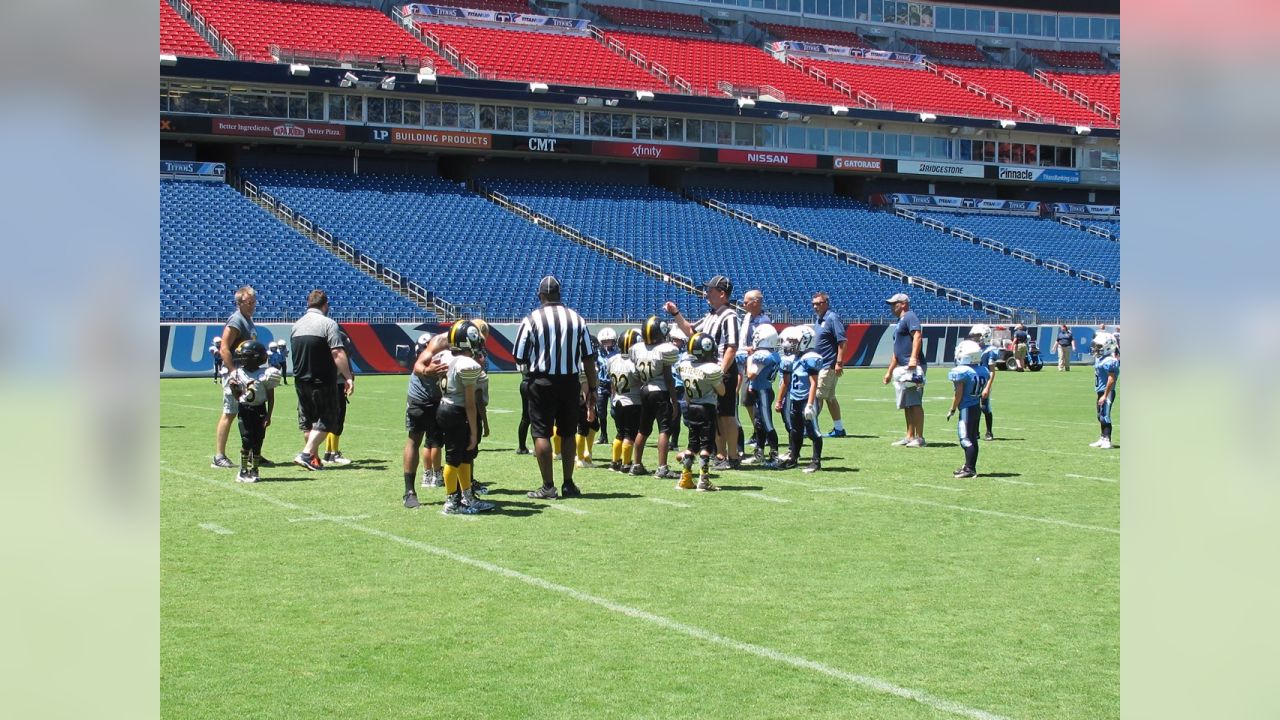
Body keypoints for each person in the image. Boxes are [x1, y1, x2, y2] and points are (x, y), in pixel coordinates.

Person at [515, 276, 597, 500]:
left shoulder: (531, 319)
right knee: (568, 433)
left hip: (541, 381)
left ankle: (548, 486)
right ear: (560, 294)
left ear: (541, 296)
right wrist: (593, 388)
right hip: (570, 381)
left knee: (541, 432)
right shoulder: (577, 319)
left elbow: (519, 355)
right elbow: (589, 357)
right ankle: (568, 483)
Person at [664, 275, 741, 470]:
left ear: (722, 294)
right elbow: (691, 332)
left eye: (710, 290)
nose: (706, 293)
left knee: (726, 414)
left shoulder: (729, 316)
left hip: (722, 369)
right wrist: (676, 313)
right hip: (711, 370)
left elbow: (732, 347)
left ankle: (732, 456)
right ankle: (720, 455)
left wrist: (720, 372)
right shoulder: (711, 315)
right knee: (713, 415)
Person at [435, 321, 496, 514]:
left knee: (464, 457)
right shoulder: (467, 364)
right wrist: (474, 430)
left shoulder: (445, 356)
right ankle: (452, 502)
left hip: (446, 406)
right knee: (454, 458)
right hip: (457, 411)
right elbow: (470, 402)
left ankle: (466, 495)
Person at [289, 290, 354, 471]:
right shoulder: (328, 324)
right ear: (325, 305)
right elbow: (337, 352)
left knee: (309, 421)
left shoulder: (297, 325)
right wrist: (348, 377)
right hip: (321, 380)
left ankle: (313, 459)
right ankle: (307, 453)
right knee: (328, 419)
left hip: (300, 379)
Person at [630, 315, 680, 479]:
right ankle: (662, 468)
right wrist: (674, 400)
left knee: (643, 430)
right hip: (660, 391)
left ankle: (636, 464)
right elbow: (668, 378)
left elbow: (636, 373)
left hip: (645, 390)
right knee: (664, 430)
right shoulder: (665, 349)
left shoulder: (637, 349)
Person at [224, 340, 282, 483]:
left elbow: (271, 396)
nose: (242, 358)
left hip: (260, 409)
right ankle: (243, 470)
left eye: (246, 355)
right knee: (246, 440)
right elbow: (238, 397)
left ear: (256, 357)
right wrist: (234, 388)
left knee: (258, 442)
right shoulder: (237, 373)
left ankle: (254, 469)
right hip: (245, 410)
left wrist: (269, 415)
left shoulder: (266, 374)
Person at [401, 333, 448, 508]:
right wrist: (429, 371)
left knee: (448, 440)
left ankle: (460, 487)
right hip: (420, 397)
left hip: (443, 397)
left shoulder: (469, 346)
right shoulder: (440, 342)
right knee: (415, 438)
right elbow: (418, 366)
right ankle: (409, 491)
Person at [213, 286, 257, 469]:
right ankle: (219, 456)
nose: (253, 305)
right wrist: (233, 372)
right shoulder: (236, 320)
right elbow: (224, 347)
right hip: (236, 374)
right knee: (229, 412)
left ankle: (254, 453)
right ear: (239, 303)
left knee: (250, 414)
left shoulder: (247, 319)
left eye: (254, 302)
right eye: (249, 302)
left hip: (246, 373)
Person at [674, 333, 725, 491]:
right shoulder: (711, 368)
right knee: (705, 446)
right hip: (706, 409)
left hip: (691, 407)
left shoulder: (684, 366)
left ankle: (686, 478)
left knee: (691, 445)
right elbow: (722, 391)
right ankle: (703, 480)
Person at [777, 325, 824, 473]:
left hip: (806, 400)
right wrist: (780, 400)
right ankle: (794, 458)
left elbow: (814, 383)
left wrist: (810, 404)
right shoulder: (794, 358)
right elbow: (786, 381)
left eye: (793, 340)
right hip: (795, 399)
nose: (790, 343)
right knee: (795, 430)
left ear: (805, 340)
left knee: (813, 431)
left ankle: (816, 461)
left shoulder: (809, 358)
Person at [883, 293, 926, 447]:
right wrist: (889, 371)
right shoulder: (900, 321)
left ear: (903, 304)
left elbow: (917, 336)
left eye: (894, 303)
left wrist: (914, 358)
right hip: (903, 366)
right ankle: (909, 436)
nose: (891, 306)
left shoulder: (910, 317)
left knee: (914, 402)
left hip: (911, 365)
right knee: (907, 403)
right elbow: (897, 350)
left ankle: (920, 438)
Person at [946, 340, 990, 479]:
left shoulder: (962, 371)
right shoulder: (983, 370)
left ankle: (970, 469)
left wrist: (952, 409)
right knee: (972, 438)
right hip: (975, 406)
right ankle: (969, 466)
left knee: (965, 439)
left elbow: (958, 394)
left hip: (966, 408)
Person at [811, 291, 848, 437]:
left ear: (826, 303)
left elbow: (842, 341)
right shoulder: (819, 320)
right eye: (813, 304)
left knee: (817, 396)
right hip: (819, 364)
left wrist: (839, 362)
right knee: (830, 398)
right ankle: (839, 429)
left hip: (827, 365)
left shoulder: (832, 318)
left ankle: (811, 427)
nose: (815, 307)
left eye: (819, 303)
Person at [607, 328, 644, 472]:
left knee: (619, 433)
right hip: (632, 400)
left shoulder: (612, 359)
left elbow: (611, 383)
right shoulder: (634, 362)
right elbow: (641, 381)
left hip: (617, 400)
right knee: (630, 434)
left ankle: (614, 461)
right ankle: (627, 463)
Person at [744, 324, 781, 467]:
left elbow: (751, 374)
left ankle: (774, 455)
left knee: (767, 423)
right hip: (763, 390)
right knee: (759, 424)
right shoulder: (772, 354)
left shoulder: (761, 356)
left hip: (763, 392)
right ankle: (759, 454)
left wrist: (749, 358)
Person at [322, 329, 354, 466]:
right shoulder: (336, 356)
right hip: (336, 387)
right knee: (337, 420)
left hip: (328, 388)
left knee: (331, 421)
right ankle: (334, 453)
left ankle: (328, 452)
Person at [970, 325, 1000, 442]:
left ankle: (989, 431)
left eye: (978, 336)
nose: (975, 338)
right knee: (973, 407)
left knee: (984, 407)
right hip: (972, 381)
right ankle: (975, 431)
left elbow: (992, 371)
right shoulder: (971, 349)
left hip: (983, 382)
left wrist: (987, 386)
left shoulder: (990, 350)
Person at [1090, 332, 1120, 449]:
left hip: (1107, 392)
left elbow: (1111, 379)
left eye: (1098, 346)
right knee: (1100, 415)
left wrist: (1105, 395)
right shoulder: (1101, 358)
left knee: (1105, 416)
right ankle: (1102, 437)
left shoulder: (1109, 360)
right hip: (1100, 391)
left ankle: (1107, 440)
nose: (1096, 348)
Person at [594, 327, 618, 445]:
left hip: (614, 384)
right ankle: (603, 435)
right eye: (604, 341)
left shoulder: (617, 353)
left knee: (615, 411)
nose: (607, 344)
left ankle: (620, 434)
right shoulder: (597, 354)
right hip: (602, 385)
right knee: (601, 412)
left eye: (609, 341)